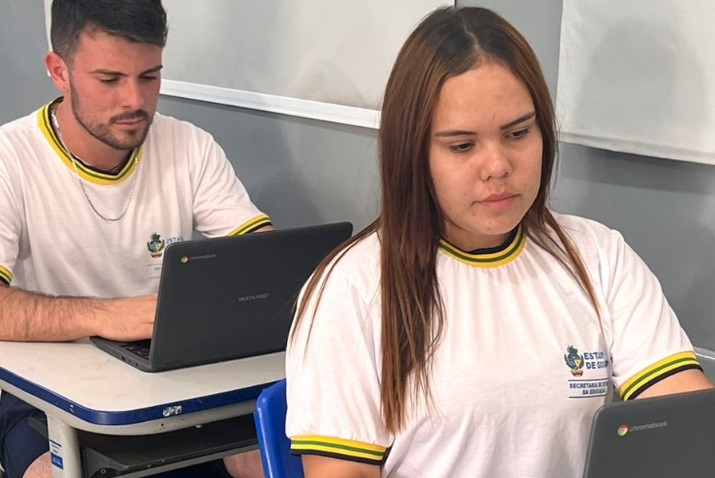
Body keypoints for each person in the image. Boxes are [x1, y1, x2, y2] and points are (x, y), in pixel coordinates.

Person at [284, 6, 713, 477]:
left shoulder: (599, 257)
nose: (498, 166)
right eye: (462, 145)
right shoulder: (352, 289)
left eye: (518, 133)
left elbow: (685, 424)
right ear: (413, 153)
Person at [0, 1, 269, 477]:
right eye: (109, 79)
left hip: (176, 383)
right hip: (41, 398)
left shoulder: (190, 146)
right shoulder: (10, 158)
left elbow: (263, 258)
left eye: (150, 76)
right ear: (59, 72)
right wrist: (110, 316)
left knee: (271, 460)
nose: (134, 100)